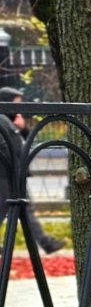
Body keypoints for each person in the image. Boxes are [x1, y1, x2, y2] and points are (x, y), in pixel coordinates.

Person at [0, 86, 63, 254]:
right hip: (5, 175)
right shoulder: (1, 120)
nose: (20, 109)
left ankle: (44, 242)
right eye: (17, 104)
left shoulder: (8, 121)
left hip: (12, 175)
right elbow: (7, 149)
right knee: (12, 209)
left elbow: (25, 143)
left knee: (24, 209)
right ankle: (44, 242)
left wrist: (23, 129)